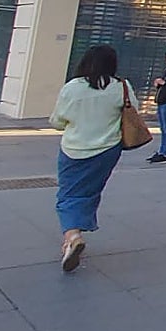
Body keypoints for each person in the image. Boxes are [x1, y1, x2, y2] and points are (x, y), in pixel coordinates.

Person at [49, 45, 134, 272]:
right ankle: (74, 234)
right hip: (107, 150)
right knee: (90, 191)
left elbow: (57, 121)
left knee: (68, 193)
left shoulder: (73, 87)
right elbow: (132, 111)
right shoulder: (121, 86)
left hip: (74, 149)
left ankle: (72, 236)